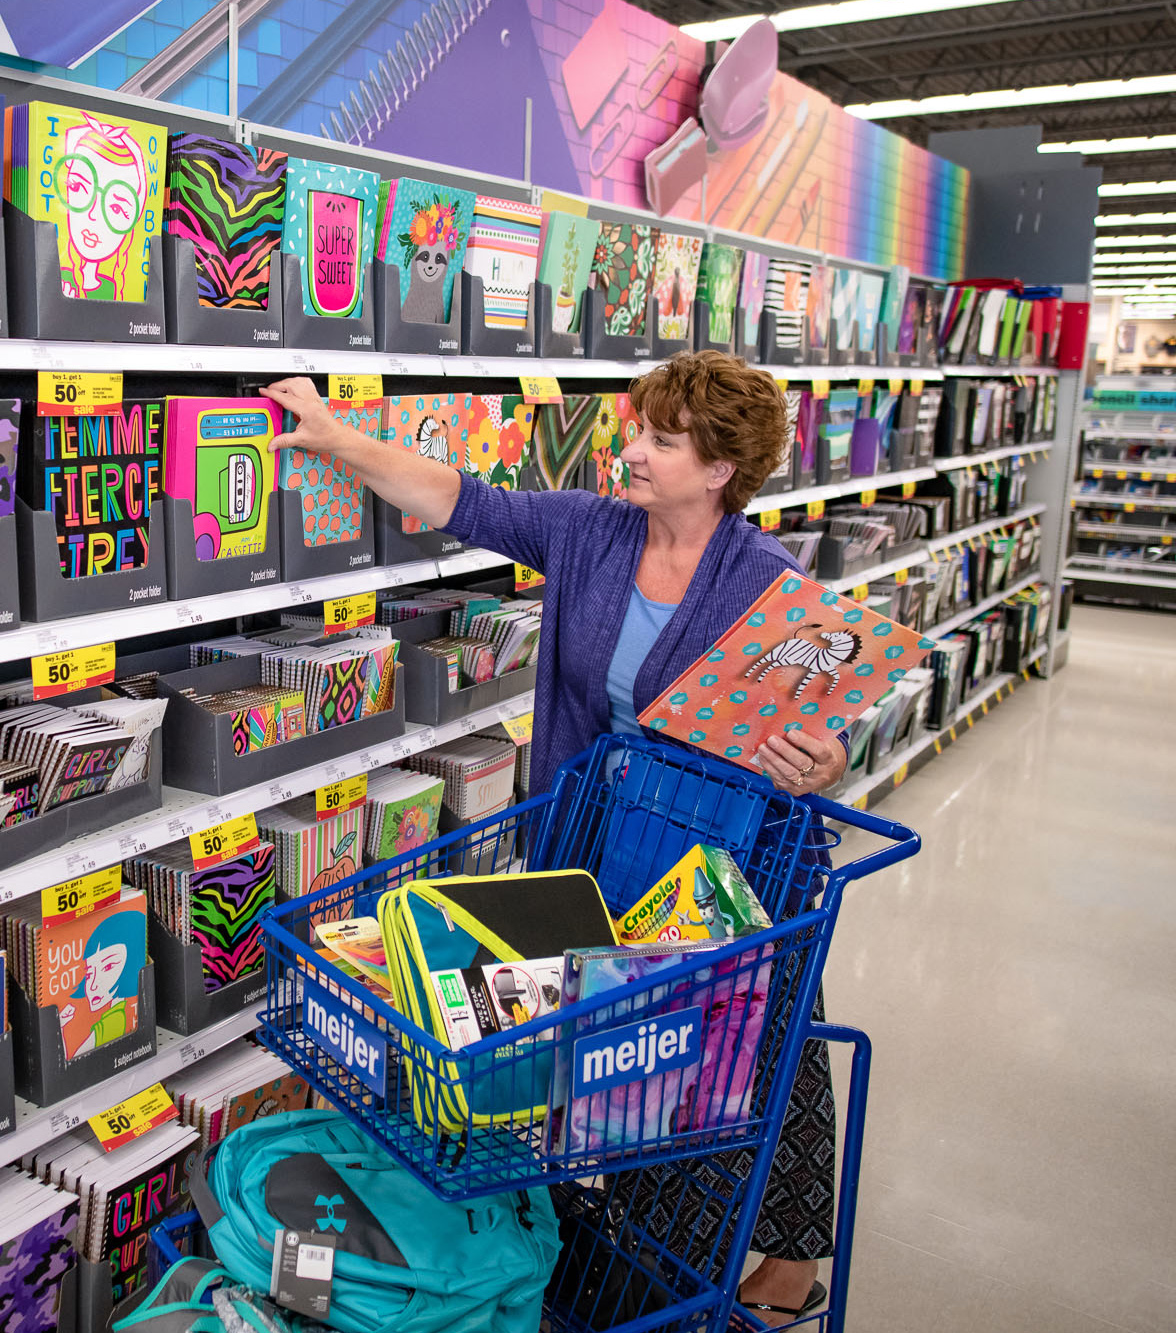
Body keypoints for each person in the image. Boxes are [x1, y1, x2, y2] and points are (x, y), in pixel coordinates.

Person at [264, 350, 840, 1322]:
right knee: (625, 1058)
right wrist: (335, 437)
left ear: (720, 469)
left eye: (663, 440)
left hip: (719, 865)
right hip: (596, 845)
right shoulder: (589, 530)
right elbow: (461, 497)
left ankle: (713, 1275)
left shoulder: (769, 586)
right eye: (638, 428)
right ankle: (623, 1261)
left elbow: (820, 731)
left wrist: (821, 763)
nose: (633, 449)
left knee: (728, 1059)